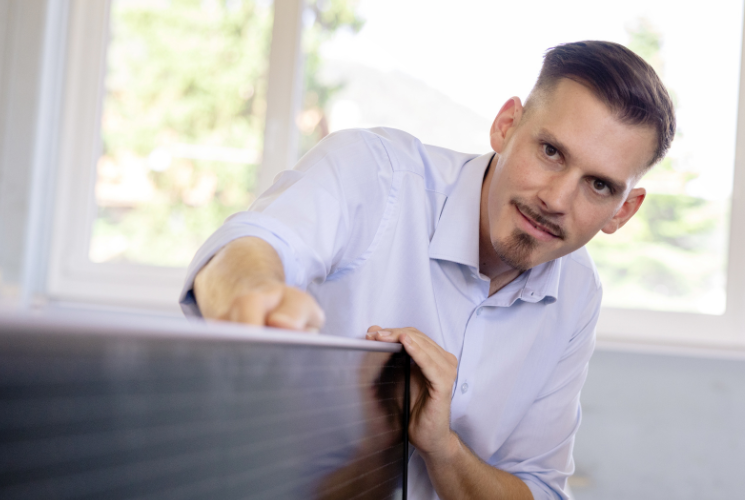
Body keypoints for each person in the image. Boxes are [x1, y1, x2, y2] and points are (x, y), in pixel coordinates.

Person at [179, 40, 675, 499]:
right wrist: (254, 290)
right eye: (550, 151)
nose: (556, 200)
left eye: (600, 186)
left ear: (623, 212)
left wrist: (444, 447)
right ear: (506, 126)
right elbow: (252, 246)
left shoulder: (578, 291)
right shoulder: (374, 173)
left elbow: (539, 489)